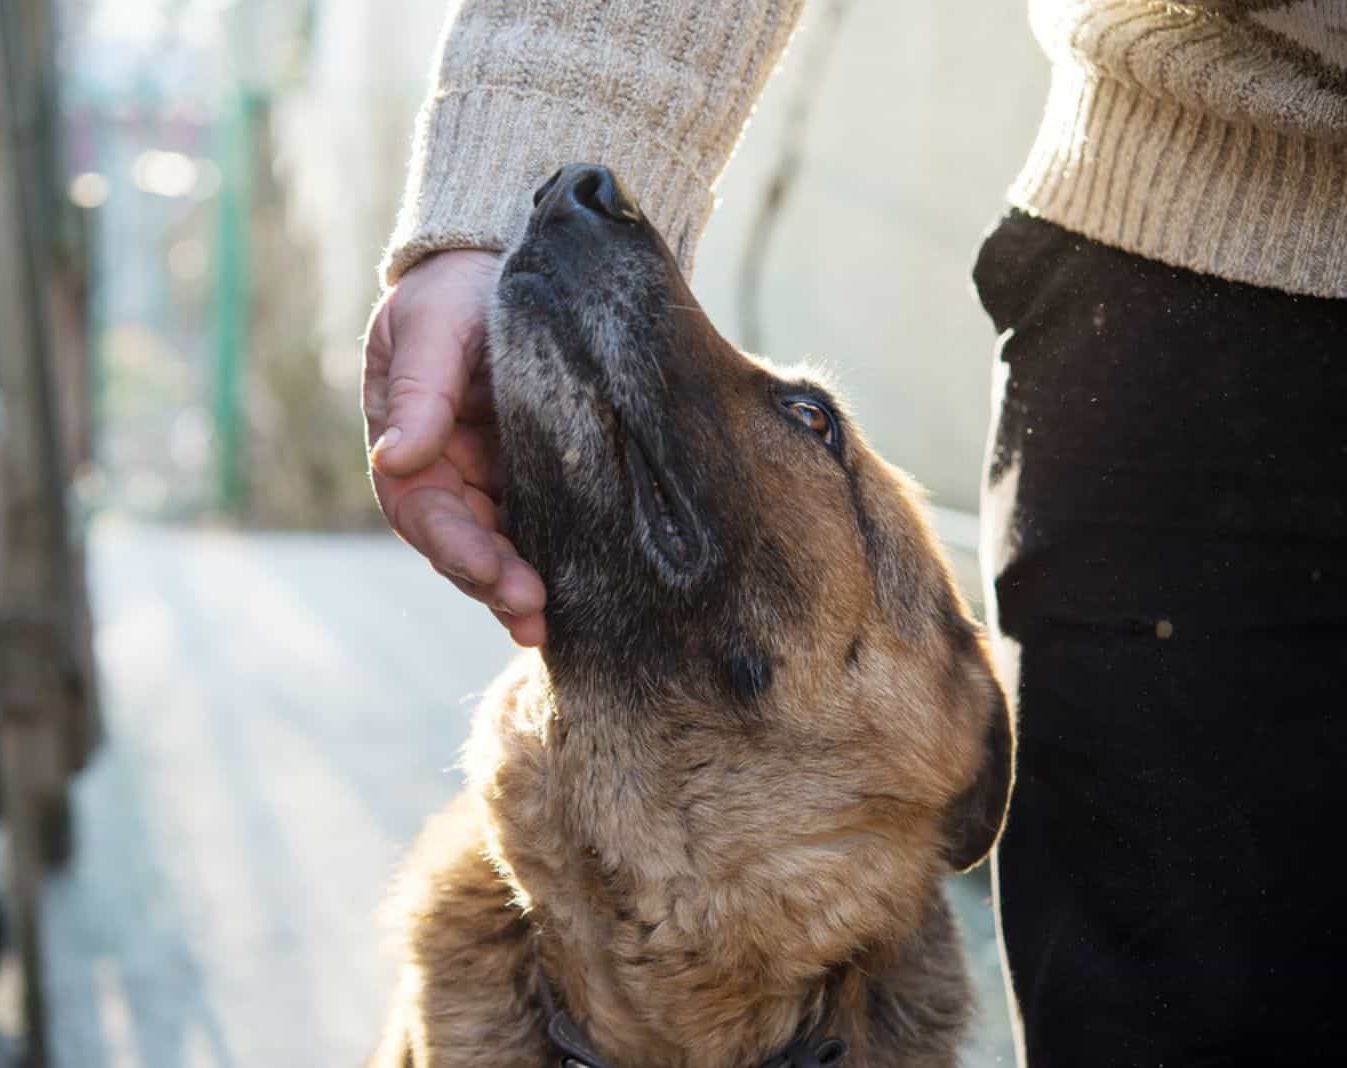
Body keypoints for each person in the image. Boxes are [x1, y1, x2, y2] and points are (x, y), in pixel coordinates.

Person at [361, 1, 1347, 1064]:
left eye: (805, 422)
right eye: (807, 421)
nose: (581, 198)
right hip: (1200, 276)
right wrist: (508, 185)